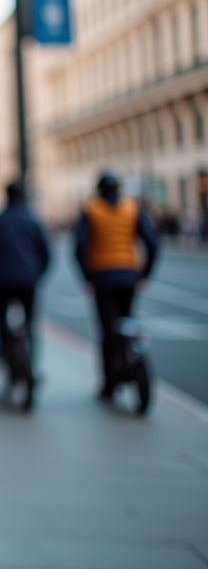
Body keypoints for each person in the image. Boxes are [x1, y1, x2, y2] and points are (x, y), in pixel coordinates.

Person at [74, 171, 159, 403]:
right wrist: (145, 273)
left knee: (107, 331)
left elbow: (80, 247)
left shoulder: (91, 209)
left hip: (102, 277)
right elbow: (152, 242)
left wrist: (87, 277)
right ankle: (130, 360)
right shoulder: (131, 208)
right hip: (128, 275)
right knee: (127, 320)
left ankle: (109, 383)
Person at [0, 182, 50, 402]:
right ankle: (32, 365)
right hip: (28, 280)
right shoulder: (33, 220)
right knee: (30, 323)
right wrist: (38, 274)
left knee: (1, 321)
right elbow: (46, 253)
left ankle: (6, 358)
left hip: (1, 281)